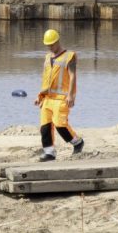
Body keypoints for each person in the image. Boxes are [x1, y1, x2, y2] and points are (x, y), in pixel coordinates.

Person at [34, 29, 84, 161]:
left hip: (62, 98)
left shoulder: (69, 56)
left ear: (57, 41)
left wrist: (71, 95)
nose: (50, 47)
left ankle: (77, 142)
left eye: (52, 44)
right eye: (48, 45)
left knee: (60, 124)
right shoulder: (47, 57)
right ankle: (49, 152)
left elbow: (73, 76)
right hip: (47, 98)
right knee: (45, 127)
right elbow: (46, 78)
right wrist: (40, 95)